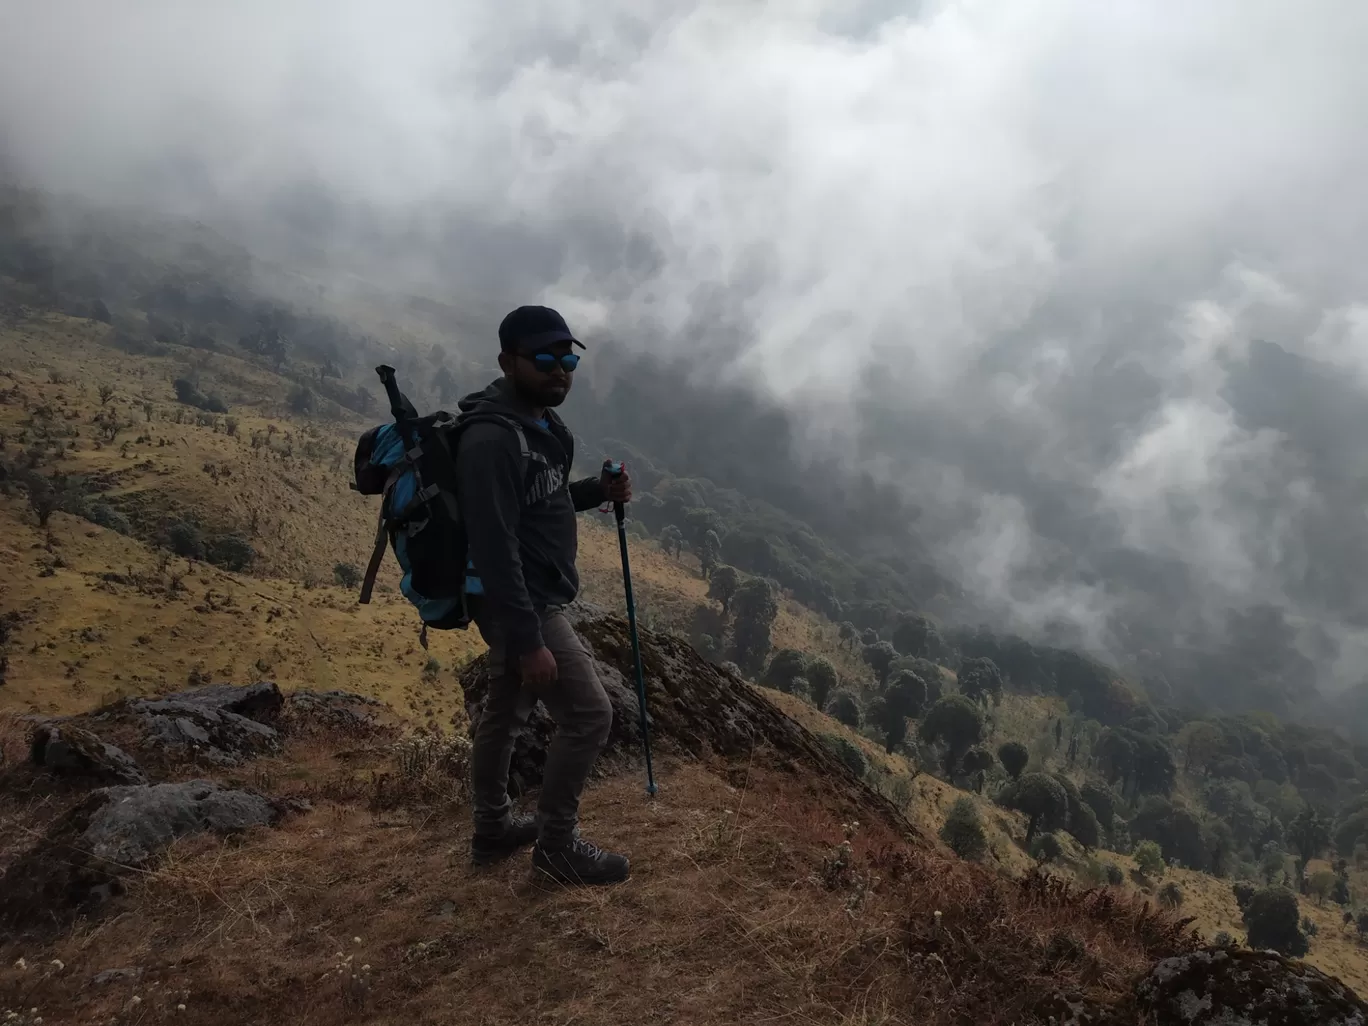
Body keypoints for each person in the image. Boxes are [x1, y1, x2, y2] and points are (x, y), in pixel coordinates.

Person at [454, 304, 633, 886]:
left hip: (529, 598)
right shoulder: (490, 440)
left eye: (569, 358)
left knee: (505, 716)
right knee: (589, 715)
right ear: (508, 361)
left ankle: (492, 831)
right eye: (545, 360)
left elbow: (542, 502)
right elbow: (493, 544)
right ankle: (556, 847)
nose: (561, 371)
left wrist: (596, 491)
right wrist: (529, 638)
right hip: (519, 603)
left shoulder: (542, 426)